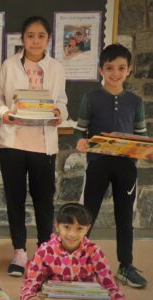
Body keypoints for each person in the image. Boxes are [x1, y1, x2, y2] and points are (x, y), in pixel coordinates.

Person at [0, 16, 68, 277]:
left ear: (48, 39)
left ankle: (45, 251)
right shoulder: (10, 65)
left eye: (41, 36)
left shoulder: (57, 67)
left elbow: (63, 101)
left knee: (44, 200)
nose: (35, 41)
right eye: (30, 36)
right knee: (15, 199)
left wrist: (60, 113)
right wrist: (3, 112)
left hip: (44, 143)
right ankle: (20, 252)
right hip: (13, 141)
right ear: (23, 39)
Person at [76, 43, 148, 288]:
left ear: (128, 70)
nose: (115, 73)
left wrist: (146, 152)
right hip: (97, 163)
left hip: (126, 167)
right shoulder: (90, 98)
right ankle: (78, 261)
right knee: (88, 214)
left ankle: (125, 265)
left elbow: (141, 135)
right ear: (101, 70)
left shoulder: (135, 101)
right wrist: (80, 143)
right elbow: (79, 131)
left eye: (121, 68)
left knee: (125, 217)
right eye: (109, 68)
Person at [21, 203, 125, 300]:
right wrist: (31, 297)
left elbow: (110, 286)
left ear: (87, 229)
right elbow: (30, 285)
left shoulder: (94, 252)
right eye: (66, 227)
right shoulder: (44, 251)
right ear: (57, 226)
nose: (72, 234)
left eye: (79, 228)